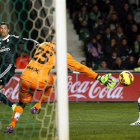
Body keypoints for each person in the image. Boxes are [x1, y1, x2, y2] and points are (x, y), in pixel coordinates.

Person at [5, 42, 116, 133]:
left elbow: (35, 51)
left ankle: (12, 125)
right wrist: (98, 77)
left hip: (25, 76)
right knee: (55, 80)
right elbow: (80, 67)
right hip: (38, 80)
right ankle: (37, 105)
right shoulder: (62, 54)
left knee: (21, 103)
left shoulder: (43, 44)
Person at [0, 22, 39, 111]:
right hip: (2, 68)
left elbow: (25, 40)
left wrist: (36, 42)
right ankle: (14, 107)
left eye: (4, 28)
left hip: (9, 67)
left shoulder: (12, 38)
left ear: (8, 30)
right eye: (1, 28)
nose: (3, 30)